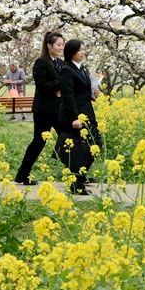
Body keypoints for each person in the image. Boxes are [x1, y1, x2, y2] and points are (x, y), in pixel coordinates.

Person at [14, 32, 65, 186]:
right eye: (58, 45)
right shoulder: (41, 62)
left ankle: (78, 174)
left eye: (63, 45)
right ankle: (22, 175)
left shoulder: (61, 63)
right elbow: (43, 86)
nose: (61, 47)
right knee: (39, 142)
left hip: (58, 109)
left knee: (67, 138)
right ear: (49, 45)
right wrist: (60, 81)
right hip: (44, 110)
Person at [58, 39, 102, 195]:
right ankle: (76, 184)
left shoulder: (82, 68)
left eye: (83, 49)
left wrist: (94, 92)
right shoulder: (66, 70)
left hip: (87, 113)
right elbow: (68, 96)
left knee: (95, 146)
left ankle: (80, 178)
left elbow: (82, 91)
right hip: (75, 116)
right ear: (71, 52)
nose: (83, 52)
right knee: (79, 150)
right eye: (79, 50)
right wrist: (74, 118)